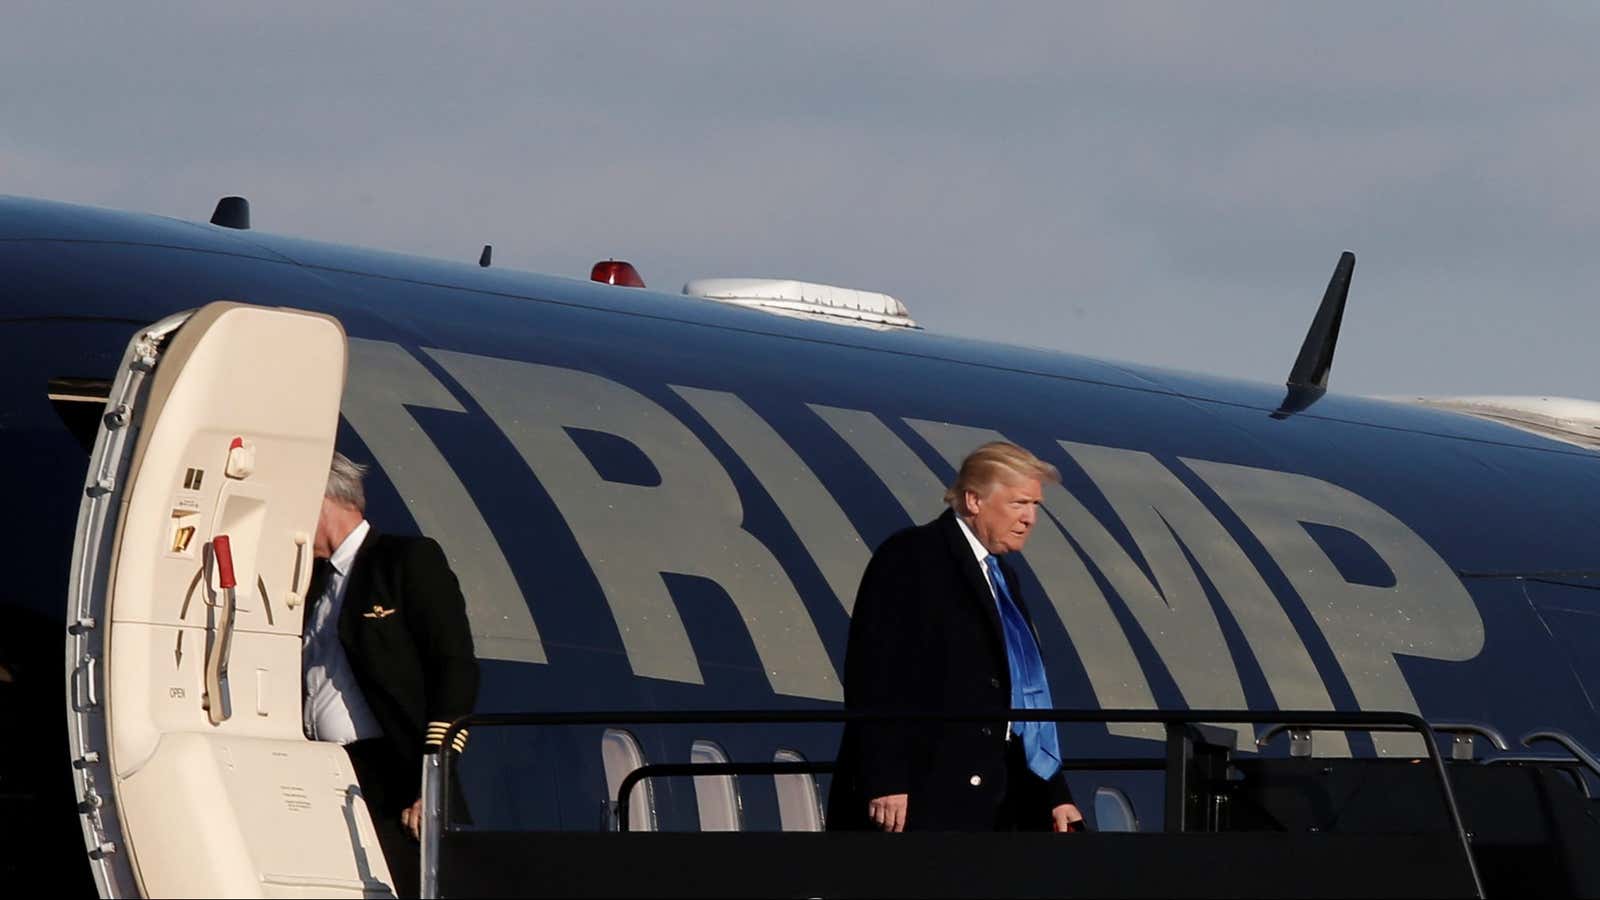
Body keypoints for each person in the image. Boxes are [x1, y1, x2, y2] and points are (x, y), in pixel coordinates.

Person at [828, 441, 1084, 833]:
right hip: (924, 793)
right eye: (1019, 503)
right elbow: (876, 672)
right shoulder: (913, 556)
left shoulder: (1002, 577)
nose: (1030, 518)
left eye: (1036, 506)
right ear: (973, 500)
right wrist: (886, 778)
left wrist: (1054, 792)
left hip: (993, 797)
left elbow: (1022, 689)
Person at [303, 452, 479, 897]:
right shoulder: (313, 584)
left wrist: (432, 781)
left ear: (323, 499)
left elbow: (454, 666)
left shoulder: (404, 562)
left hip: (391, 776)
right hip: (319, 769)